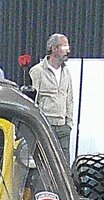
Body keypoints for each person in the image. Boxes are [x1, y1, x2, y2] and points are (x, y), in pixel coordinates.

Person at [29, 33, 74, 162]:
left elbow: (69, 99)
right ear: (54, 48)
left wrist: (69, 124)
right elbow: (32, 100)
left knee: (64, 164)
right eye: (64, 46)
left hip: (63, 127)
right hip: (45, 125)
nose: (68, 50)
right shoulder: (37, 71)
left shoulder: (66, 72)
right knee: (44, 163)